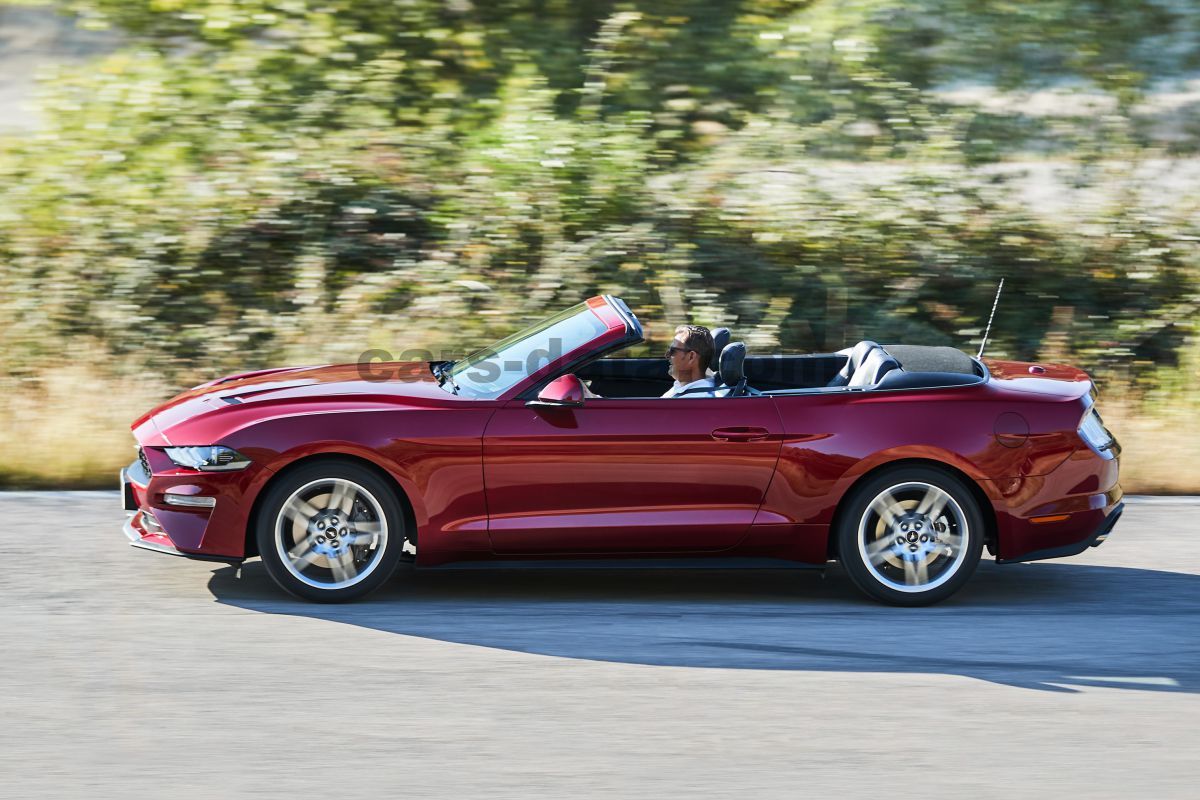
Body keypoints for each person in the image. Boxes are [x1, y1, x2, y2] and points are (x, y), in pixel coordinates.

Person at [661, 324, 717, 398]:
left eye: (673, 350)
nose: (667, 355)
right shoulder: (684, 385)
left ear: (691, 357)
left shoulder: (695, 400)